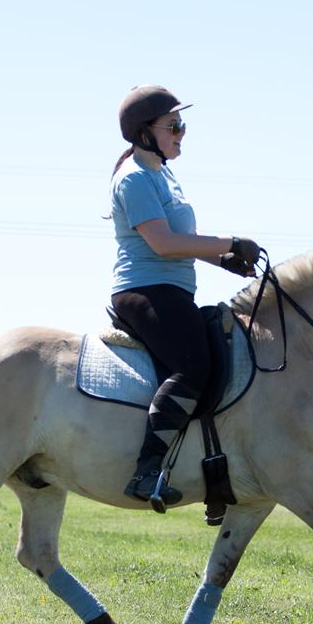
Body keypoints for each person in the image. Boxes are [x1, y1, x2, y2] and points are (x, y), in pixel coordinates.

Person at [109, 85, 260, 512]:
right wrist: (229, 241)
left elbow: (182, 241)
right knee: (193, 366)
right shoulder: (135, 178)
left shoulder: (163, 175)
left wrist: (225, 259)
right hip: (144, 291)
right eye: (173, 126)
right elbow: (161, 243)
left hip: (173, 290)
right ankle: (145, 470)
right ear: (144, 132)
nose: (181, 134)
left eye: (183, 126)